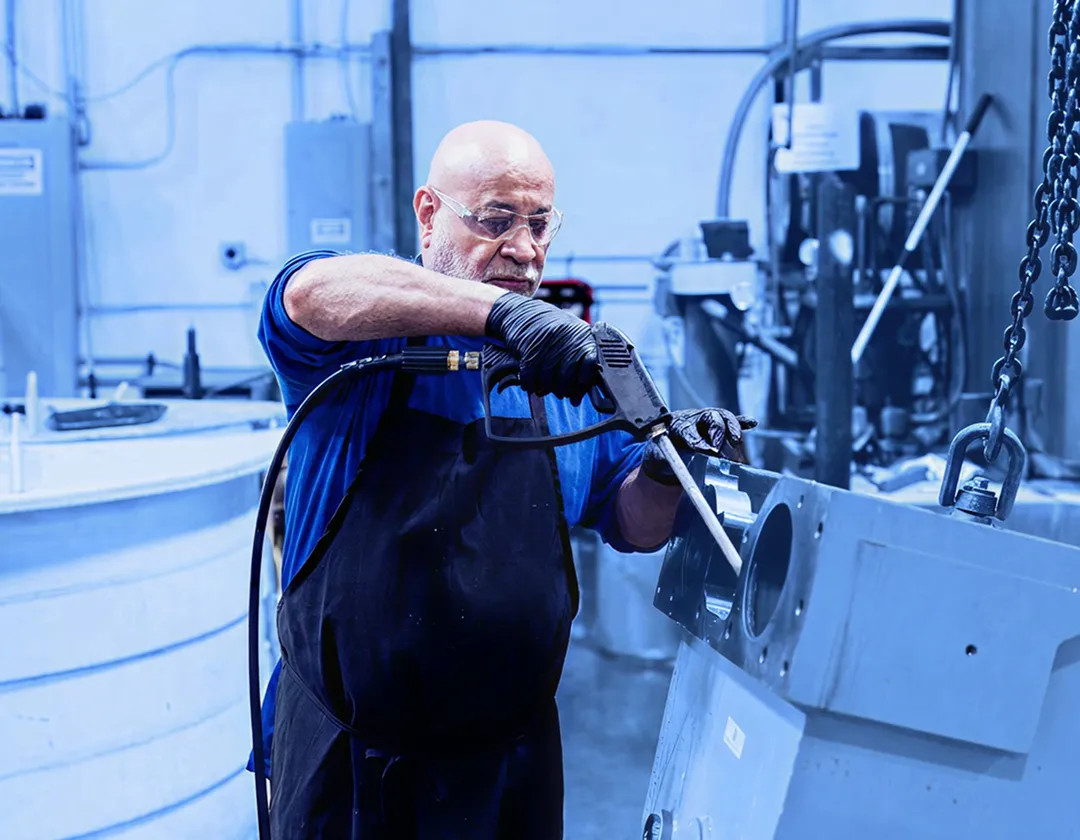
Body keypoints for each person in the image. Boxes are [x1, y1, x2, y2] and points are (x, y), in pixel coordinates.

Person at [253, 119, 755, 839]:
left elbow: (634, 525)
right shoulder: (366, 345)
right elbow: (305, 294)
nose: (524, 248)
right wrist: (504, 315)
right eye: (496, 220)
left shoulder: (565, 368)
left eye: (540, 224)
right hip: (354, 771)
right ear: (428, 215)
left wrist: (663, 468)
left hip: (508, 772)